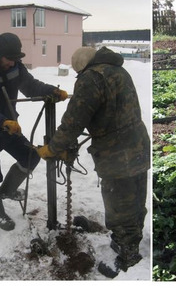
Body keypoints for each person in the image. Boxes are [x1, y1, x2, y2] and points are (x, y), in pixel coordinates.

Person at [36, 46, 150, 277]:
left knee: (120, 207)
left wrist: (54, 148)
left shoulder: (91, 79)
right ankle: (125, 241)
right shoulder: (117, 70)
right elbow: (107, 111)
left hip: (118, 154)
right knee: (135, 199)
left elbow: (74, 119)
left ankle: (128, 256)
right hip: (137, 144)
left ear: (82, 68)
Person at [0, 32, 68, 231]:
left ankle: (8, 191)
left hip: (9, 128)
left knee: (30, 157)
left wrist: (50, 91)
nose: (12, 64)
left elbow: (29, 85)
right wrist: (1, 121)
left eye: (15, 59)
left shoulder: (15, 65)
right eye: (9, 59)